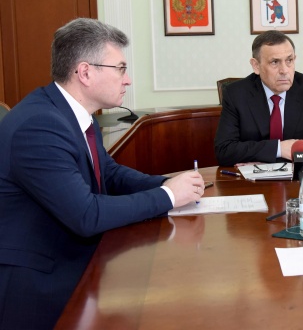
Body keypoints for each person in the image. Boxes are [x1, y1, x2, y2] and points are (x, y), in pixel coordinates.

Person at [0, 18, 206, 329]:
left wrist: (167, 183)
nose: (128, 80)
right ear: (85, 72)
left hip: (72, 261)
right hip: (39, 285)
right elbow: (85, 214)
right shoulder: (39, 125)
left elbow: (109, 173)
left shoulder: (75, 114)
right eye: (120, 69)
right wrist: (167, 196)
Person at [214, 30, 303, 166]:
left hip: (300, 175)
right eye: (274, 62)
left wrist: (269, 158)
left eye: (289, 60)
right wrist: (279, 149)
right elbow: (224, 150)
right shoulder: (236, 94)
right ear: (256, 66)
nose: (284, 70)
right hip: (253, 179)